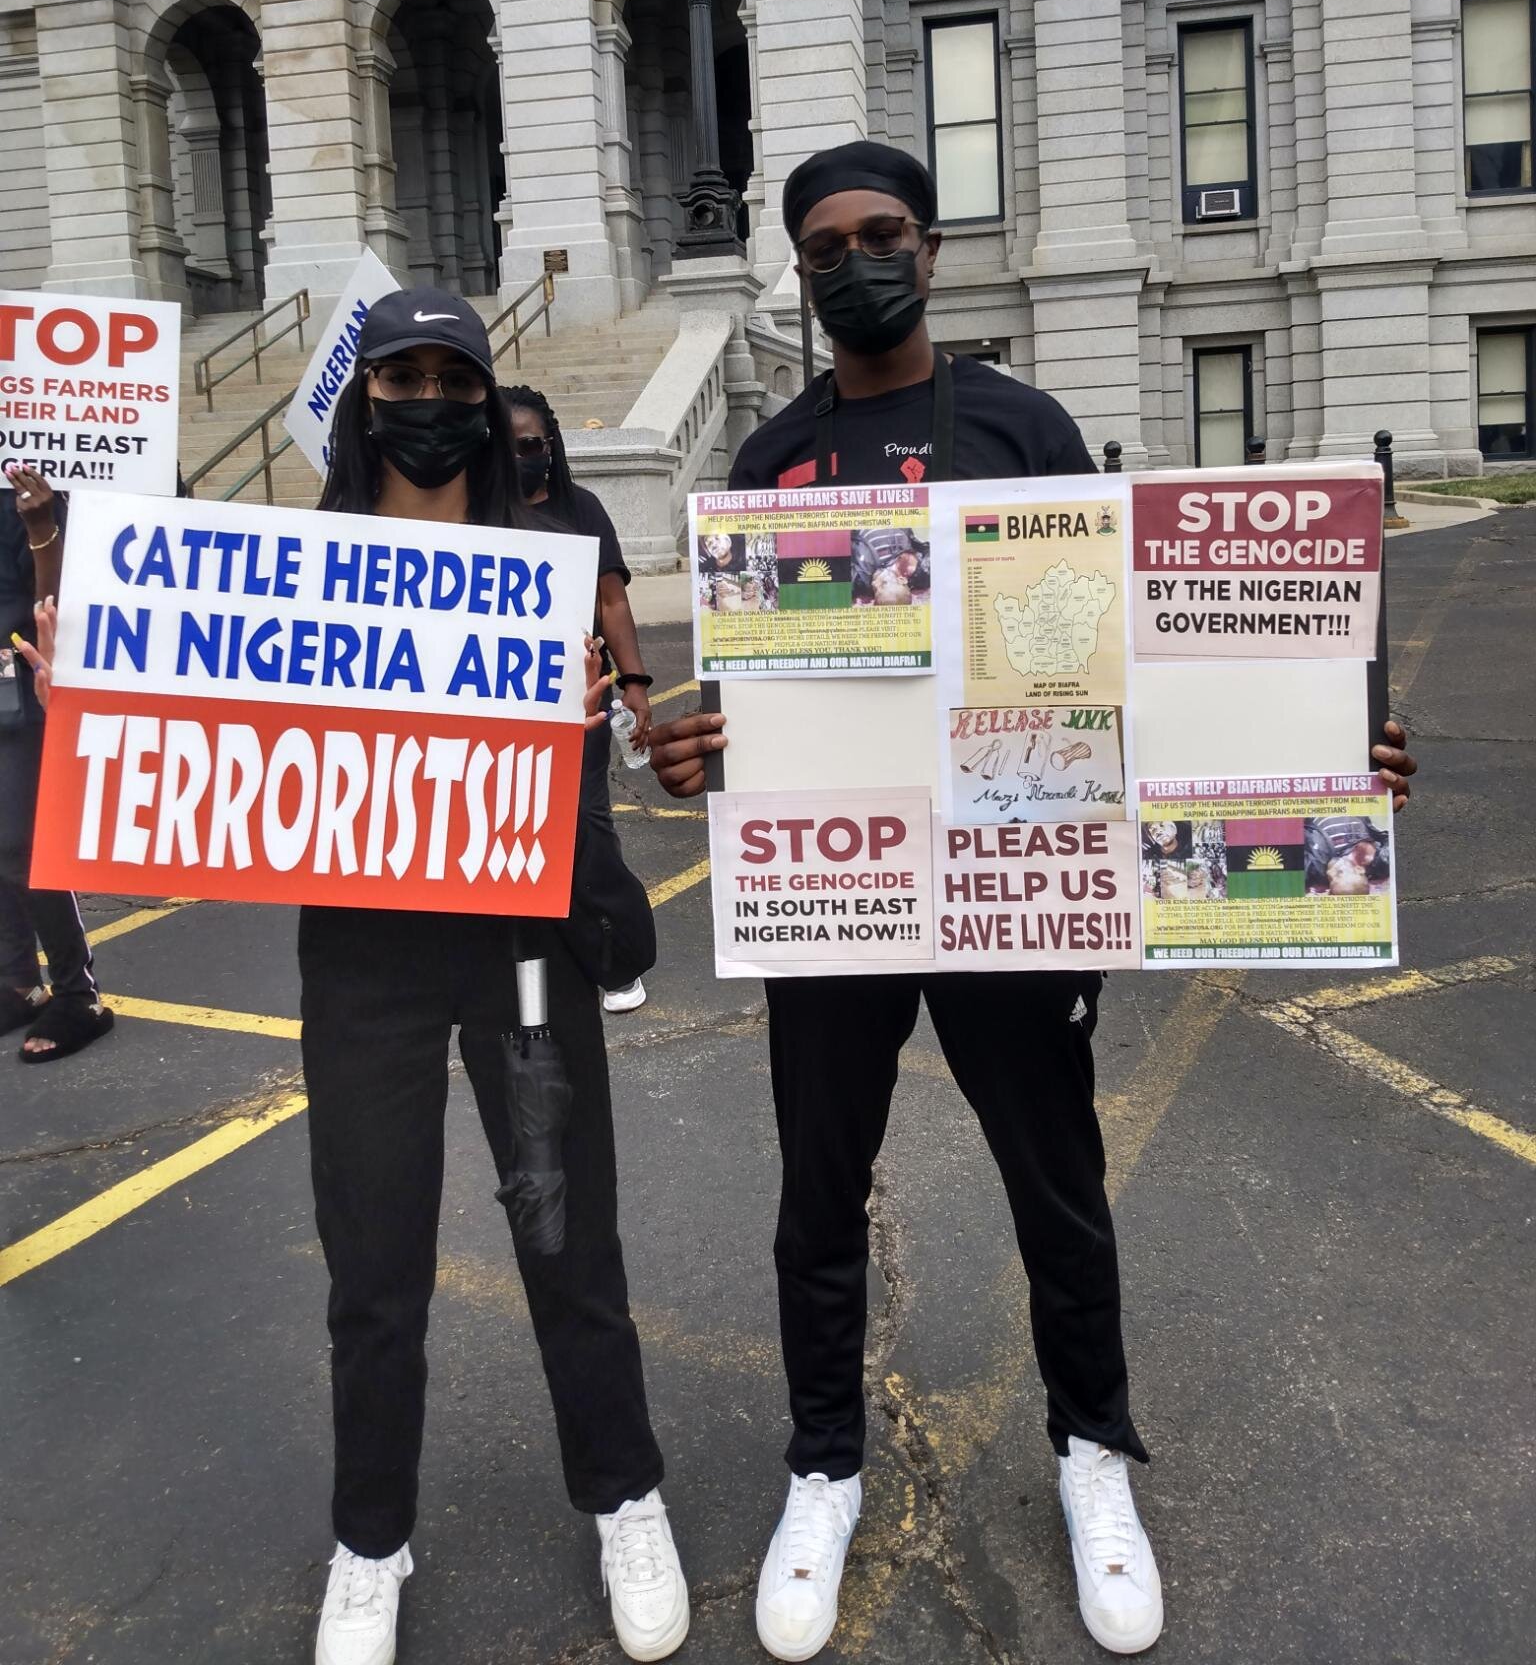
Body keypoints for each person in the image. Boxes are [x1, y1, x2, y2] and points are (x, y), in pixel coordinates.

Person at [647, 142, 1418, 1661]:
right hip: (843, 893)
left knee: (1054, 1179)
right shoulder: (766, 465)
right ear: (799, 273)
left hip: (1019, 880)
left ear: (930, 254)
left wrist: (1330, 751)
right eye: (826, 246)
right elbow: (744, 703)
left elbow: (1151, 643)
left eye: (881, 236)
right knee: (818, 1195)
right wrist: (692, 749)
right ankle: (823, 1466)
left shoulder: (1025, 427)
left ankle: (1090, 1451)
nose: (856, 262)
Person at [302, 290, 687, 1665]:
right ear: (367, 402)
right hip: (364, 956)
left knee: (567, 1236)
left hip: (523, 941)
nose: (425, 399)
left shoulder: (549, 551)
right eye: (397, 376)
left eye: (448, 375)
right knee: (375, 1263)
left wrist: (591, 726)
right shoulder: (297, 559)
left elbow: (590, 766)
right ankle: (370, 1539)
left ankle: (624, 1492)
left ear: (482, 394)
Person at [501, 382, 656, 1015]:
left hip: (580, 699)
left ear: (551, 444)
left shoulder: (582, 508)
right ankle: (523, 953)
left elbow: (613, 601)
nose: (519, 456)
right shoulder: (467, 512)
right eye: (502, 445)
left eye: (530, 443)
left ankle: (613, 954)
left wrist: (636, 682)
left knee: (587, 827)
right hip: (500, 704)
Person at [0, 466, 110, 1063]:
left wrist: (39, 524)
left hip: (18, 687)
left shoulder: (26, 486)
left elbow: (54, 604)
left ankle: (78, 993)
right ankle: (17, 981)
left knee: (21, 846)